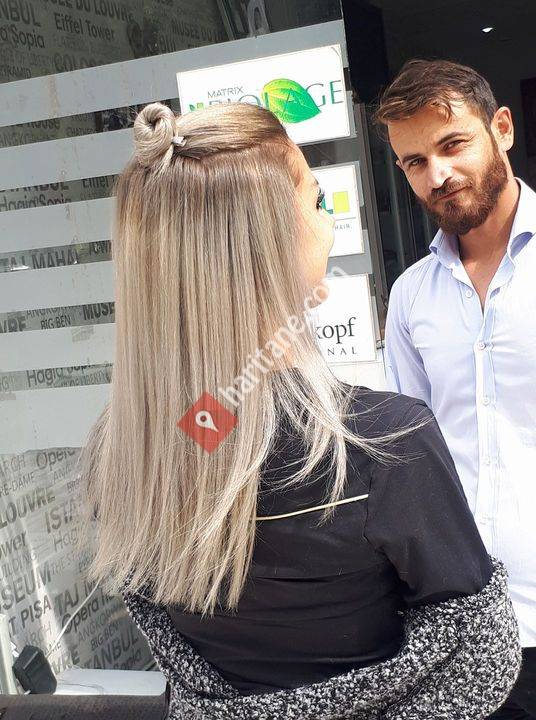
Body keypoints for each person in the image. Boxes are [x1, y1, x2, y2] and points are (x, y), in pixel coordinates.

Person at [77, 100, 520, 719]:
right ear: (272, 241)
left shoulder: (122, 453)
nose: (329, 220)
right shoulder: (384, 444)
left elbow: (166, 632)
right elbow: (480, 657)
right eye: (316, 201)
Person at [378, 59, 536, 719]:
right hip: (465, 631)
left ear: (502, 129)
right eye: (414, 162)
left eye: (452, 144)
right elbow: (406, 460)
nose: (437, 174)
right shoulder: (411, 296)